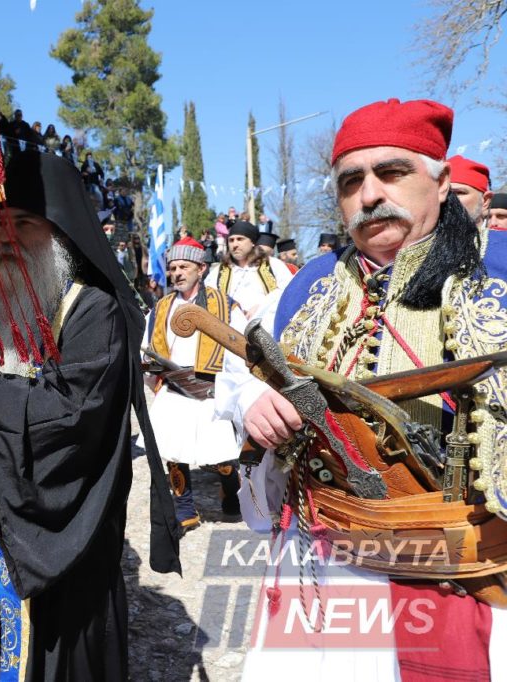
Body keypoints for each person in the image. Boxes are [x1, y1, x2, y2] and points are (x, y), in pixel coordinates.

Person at [217, 98, 507, 681]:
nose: (370, 194)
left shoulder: (498, 271)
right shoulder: (308, 285)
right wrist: (252, 402)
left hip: (464, 570)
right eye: (352, 181)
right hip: (323, 559)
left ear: (442, 181)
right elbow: (235, 375)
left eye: (392, 172)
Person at [0, 151, 181, 680]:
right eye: (2, 224)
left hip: (57, 540)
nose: (8, 238)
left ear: (61, 233)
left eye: (27, 224)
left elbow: (72, 416)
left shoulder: (92, 310)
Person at [142, 236, 244, 531]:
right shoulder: (159, 308)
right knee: (174, 453)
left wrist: (230, 388)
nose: (177, 273)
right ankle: (185, 508)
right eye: (172, 268)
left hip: (213, 389)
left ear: (201, 268)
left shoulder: (225, 306)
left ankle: (230, 482)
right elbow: (147, 347)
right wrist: (156, 381)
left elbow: (240, 350)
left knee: (220, 455)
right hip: (174, 388)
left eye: (183, 267)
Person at [204, 219, 293, 319]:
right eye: (231, 240)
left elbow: (289, 291)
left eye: (240, 239)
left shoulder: (273, 265)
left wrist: (262, 307)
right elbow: (207, 298)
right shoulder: (219, 271)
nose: (235, 244)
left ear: (252, 242)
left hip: (267, 326)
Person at [446, 154, 492, 226]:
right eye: (444, 193)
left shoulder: (502, 237)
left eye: (459, 193)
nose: (448, 199)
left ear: (485, 200)